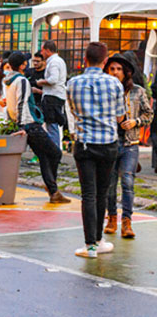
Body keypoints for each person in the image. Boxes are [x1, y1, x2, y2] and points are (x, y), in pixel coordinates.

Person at [67, 42, 124, 258]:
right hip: (108, 143)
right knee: (102, 192)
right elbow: (120, 116)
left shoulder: (73, 83)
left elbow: (73, 111)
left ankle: (89, 245)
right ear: (105, 60)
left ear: (85, 58)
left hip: (84, 144)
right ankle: (99, 240)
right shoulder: (114, 84)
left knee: (88, 194)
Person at [6, 52, 70, 204]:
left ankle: (53, 190)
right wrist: (22, 126)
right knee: (55, 153)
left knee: (44, 156)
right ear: (22, 65)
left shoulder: (10, 81)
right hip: (30, 124)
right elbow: (21, 103)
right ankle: (52, 188)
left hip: (24, 123)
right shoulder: (22, 81)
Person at [103, 54, 152, 239]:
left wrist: (136, 121)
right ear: (107, 71)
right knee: (109, 184)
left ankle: (127, 222)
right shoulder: (104, 90)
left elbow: (149, 114)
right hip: (109, 142)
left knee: (128, 182)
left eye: (119, 69)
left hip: (130, 144)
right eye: (112, 69)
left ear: (125, 72)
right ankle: (111, 218)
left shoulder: (137, 91)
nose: (115, 72)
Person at [37, 40, 68, 150]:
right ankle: (55, 149)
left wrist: (41, 82)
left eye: (42, 50)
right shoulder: (58, 61)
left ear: (48, 50)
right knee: (52, 125)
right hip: (57, 95)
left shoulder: (53, 62)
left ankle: (54, 151)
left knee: (52, 124)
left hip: (52, 96)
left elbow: (53, 79)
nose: (41, 53)